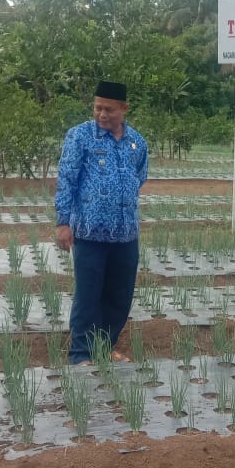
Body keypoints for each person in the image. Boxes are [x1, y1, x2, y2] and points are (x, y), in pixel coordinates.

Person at [54, 81, 148, 364]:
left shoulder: (137, 142)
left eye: (109, 109)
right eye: (98, 108)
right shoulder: (80, 136)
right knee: (89, 295)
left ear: (124, 109)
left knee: (119, 296)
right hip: (89, 232)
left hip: (125, 233)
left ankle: (105, 347)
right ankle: (81, 353)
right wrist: (63, 222)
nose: (102, 114)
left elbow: (139, 176)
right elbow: (67, 179)